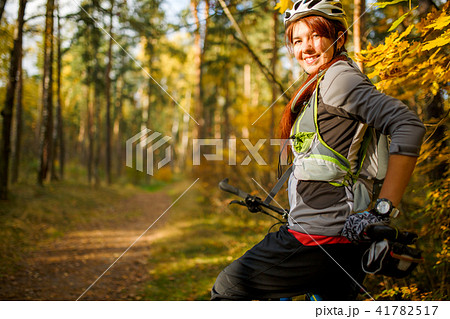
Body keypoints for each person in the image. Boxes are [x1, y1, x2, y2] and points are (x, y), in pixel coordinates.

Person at [211, 0, 425, 300]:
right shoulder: (322, 83)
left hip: (319, 239)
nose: (305, 48)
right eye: (297, 40)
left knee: (227, 288)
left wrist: (383, 210)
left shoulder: (339, 79)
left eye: (315, 36)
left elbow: (408, 124)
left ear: (339, 38)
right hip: (337, 235)